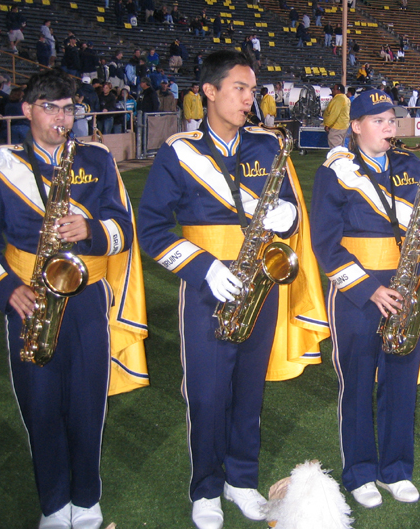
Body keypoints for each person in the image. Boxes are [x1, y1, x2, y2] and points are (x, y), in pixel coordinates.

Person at [137, 50, 326, 529]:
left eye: (253, 90)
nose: (249, 99)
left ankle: (241, 481)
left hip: (261, 285)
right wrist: (203, 268)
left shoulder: (266, 146)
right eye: (240, 88)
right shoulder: (179, 151)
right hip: (207, 290)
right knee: (205, 393)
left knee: (247, 392)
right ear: (209, 92)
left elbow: (291, 213)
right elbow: (153, 229)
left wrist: (289, 217)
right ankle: (205, 488)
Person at [0, 69, 147, 529]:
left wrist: (91, 231)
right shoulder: (0, 163)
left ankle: (87, 500)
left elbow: (123, 229)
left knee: (88, 402)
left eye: (68, 107)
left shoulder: (95, 157)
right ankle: (54, 505)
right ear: (27, 110)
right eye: (49, 107)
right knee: (40, 404)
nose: (61, 117)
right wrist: (5, 287)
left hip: (88, 297)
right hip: (30, 299)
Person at [310, 89, 420, 507]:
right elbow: (326, 244)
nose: (389, 128)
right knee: (356, 383)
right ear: (356, 126)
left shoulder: (411, 164)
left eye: (392, 120)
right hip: (359, 292)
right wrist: (369, 288)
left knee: (401, 380)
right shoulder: (335, 171)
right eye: (379, 121)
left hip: (407, 286)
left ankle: (396, 468)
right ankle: (359, 472)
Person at [323, 83, 350, 148]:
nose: (332, 91)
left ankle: (338, 158)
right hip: (343, 126)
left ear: (338, 90)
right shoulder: (345, 98)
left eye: (334, 89)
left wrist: (328, 124)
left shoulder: (339, 99)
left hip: (337, 127)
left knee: (335, 147)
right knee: (340, 146)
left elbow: (334, 113)